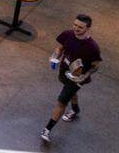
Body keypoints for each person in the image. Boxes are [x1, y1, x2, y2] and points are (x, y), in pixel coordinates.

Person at [42, 14, 102, 144]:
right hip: (64, 70)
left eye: (80, 27)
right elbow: (60, 47)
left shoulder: (92, 47)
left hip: (77, 78)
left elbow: (96, 66)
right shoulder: (67, 34)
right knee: (70, 94)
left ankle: (47, 130)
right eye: (75, 25)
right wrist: (55, 56)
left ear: (88, 28)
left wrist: (83, 76)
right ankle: (75, 109)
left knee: (61, 101)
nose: (76, 28)